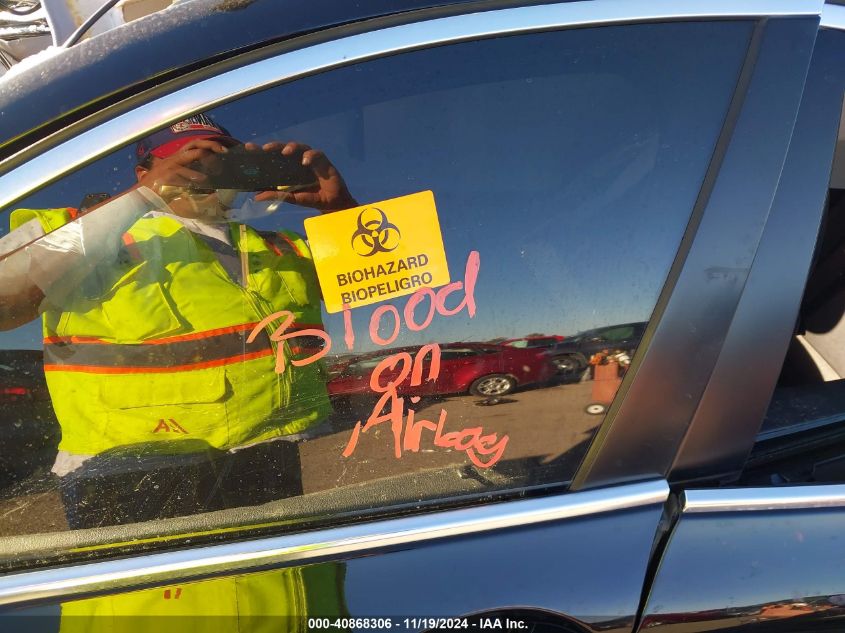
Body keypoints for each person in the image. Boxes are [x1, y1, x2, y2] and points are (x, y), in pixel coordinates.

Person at [0, 114, 357, 528]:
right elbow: (7, 301)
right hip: (129, 477)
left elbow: (395, 286)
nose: (206, 169)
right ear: (145, 172)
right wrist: (141, 198)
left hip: (278, 456)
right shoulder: (85, 233)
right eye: (191, 158)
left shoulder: (280, 247)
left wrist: (340, 210)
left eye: (221, 158)